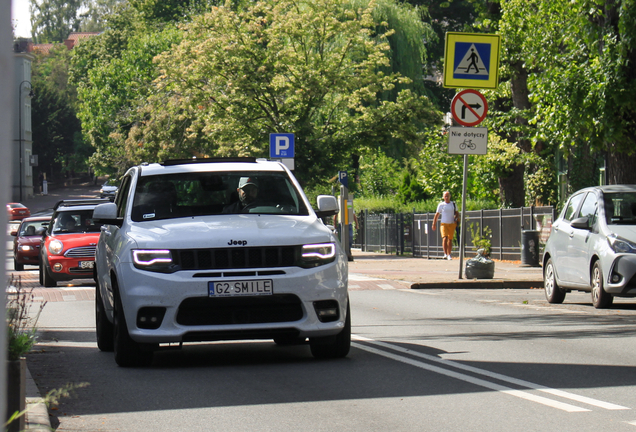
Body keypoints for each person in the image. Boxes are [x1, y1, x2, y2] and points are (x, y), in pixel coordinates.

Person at [432, 190, 459, 260]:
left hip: (451, 223)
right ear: (443, 197)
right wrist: (434, 224)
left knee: (450, 239)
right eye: (445, 196)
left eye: (448, 196)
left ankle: (449, 254)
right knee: (445, 238)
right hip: (443, 223)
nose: (446, 197)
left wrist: (456, 218)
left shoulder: (453, 204)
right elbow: (437, 214)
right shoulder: (441, 205)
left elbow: (457, 213)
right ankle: (445, 253)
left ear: (450, 196)